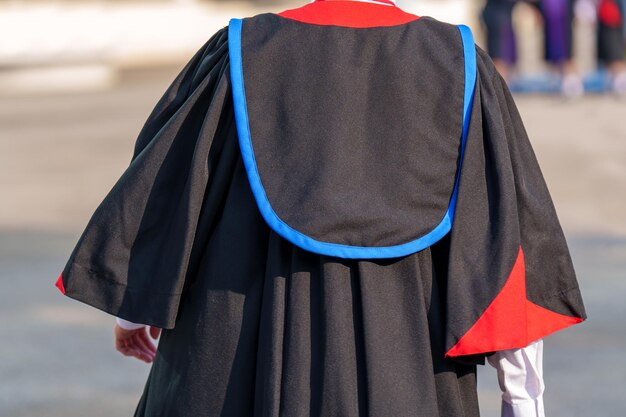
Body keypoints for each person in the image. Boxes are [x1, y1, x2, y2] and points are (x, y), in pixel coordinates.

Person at [54, 0, 588, 416]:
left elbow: (169, 189)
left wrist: (136, 306)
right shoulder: (460, 65)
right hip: (409, 372)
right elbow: (501, 242)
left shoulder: (240, 52)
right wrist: (522, 396)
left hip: (245, 360)